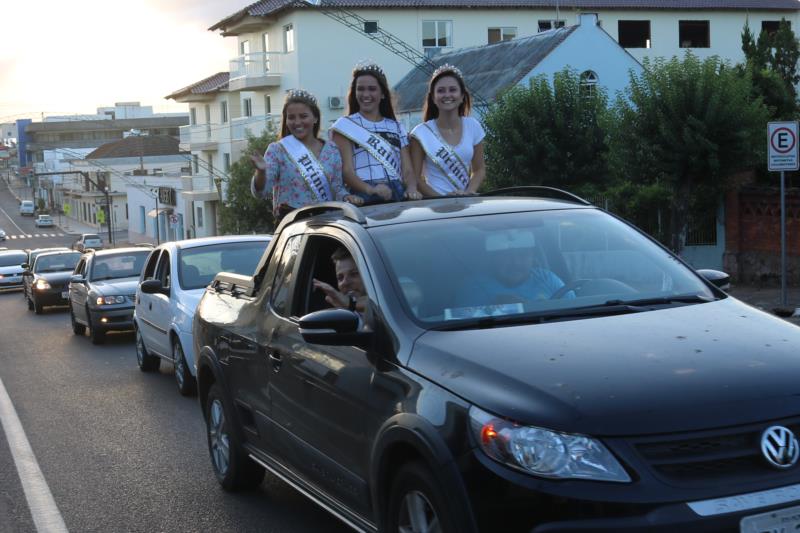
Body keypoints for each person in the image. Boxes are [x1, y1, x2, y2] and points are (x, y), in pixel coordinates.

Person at [251, 89, 362, 223]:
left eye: (303, 116)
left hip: (326, 225)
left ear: (315, 118)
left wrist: (347, 198)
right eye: (291, 117)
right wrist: (261, 172)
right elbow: (261, 192)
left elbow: (336, 188)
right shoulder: (278, 150)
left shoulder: (331, 149)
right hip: (293, 227)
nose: (297, 122)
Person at [331, 61, 422, 204]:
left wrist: (411, 188)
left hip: (396, 191)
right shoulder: (345, 126)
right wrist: (370, 189)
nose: (366, 94)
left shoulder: (397, 127)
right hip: (362, 194)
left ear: (383, 94)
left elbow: (408, 170)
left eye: (372, 89)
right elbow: (347, 171)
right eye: (360, 89)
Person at [409, 64, 486, 197]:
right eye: (441, 91)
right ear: (433, 98)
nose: (447, 95)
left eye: (452, 90)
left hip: (466, 204)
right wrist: (441, 200)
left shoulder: (473, 126)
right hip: (436, 207)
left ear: (462, 96)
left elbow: (479, 169)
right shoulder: (421, 133)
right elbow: (416, 179)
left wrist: (469, 192)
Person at [455, 229, 572, 316]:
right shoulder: (474, 287)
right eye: (506, 255)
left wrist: (526, 306)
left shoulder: (547, 279)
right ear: (493, 258)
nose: (515, 262)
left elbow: (572, 311)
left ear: (533, 258)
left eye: (523, 255)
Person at [312, 247, 368, 313]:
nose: (345, 282)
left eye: (354, 274)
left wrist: (351, 303)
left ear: (368, 275)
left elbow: (377, 304)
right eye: (340, 278)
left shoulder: (382, 305)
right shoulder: (335, 316)